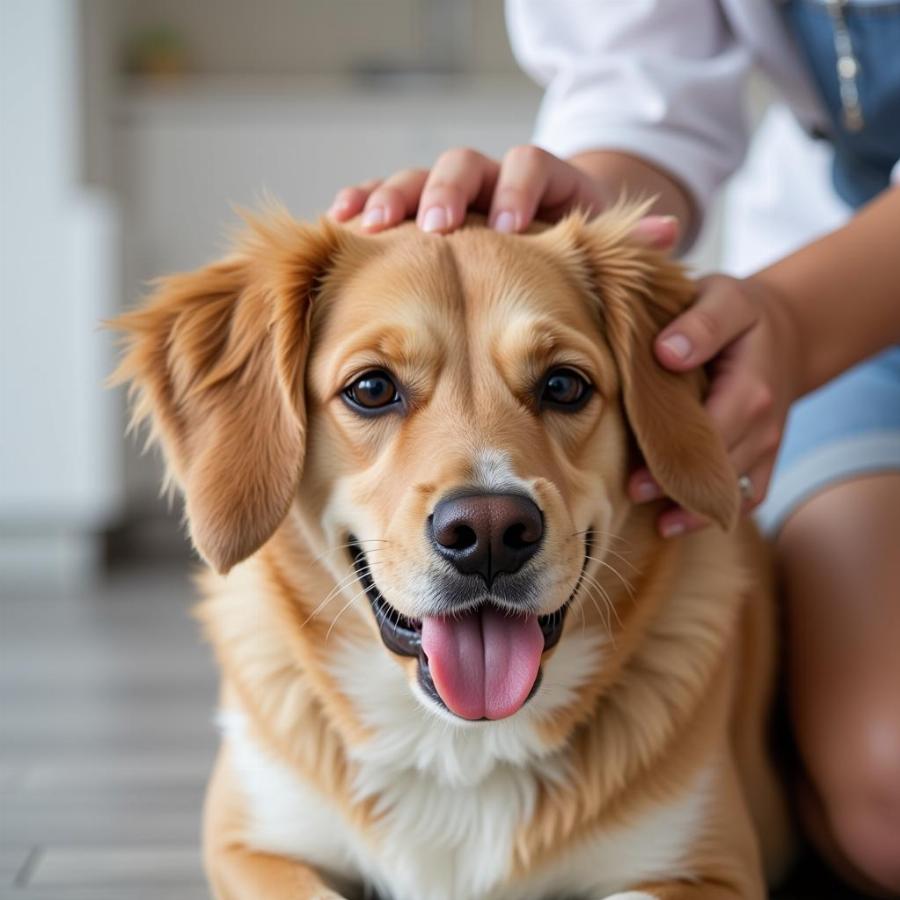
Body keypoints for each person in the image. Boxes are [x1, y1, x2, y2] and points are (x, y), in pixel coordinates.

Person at [328, 1, 900, 894]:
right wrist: (575, 210)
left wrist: (795, 317)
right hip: (851, 290)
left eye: (560, 388)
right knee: (886, 797)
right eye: (373, 391)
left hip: (834, 303)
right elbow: (644, 78)